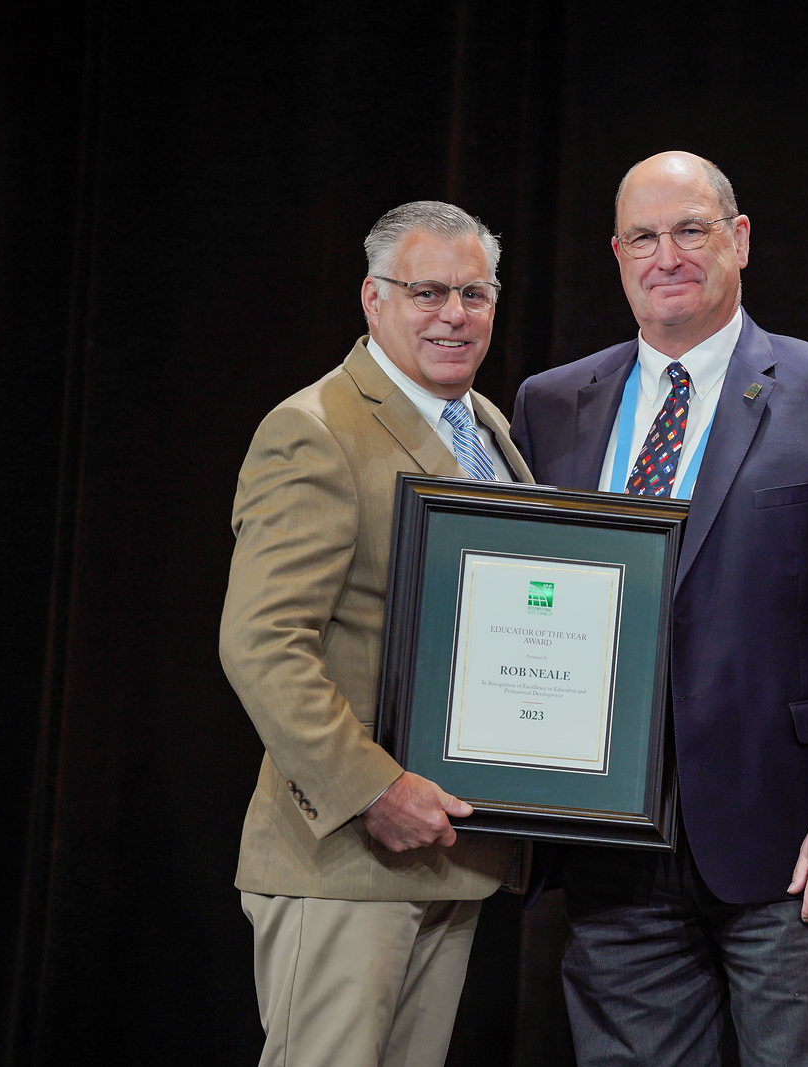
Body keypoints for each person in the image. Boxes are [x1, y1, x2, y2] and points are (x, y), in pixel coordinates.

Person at [509, 152, 808, 1066]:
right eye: (645, 238)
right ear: (617, 255)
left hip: (794, 847)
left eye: (691, 229)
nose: (669, 255)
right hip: (613, 857)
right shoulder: (551, 405)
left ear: (739, 240)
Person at [219, 201, 532, 1067]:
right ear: (372, 297)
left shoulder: (489, 430)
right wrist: (371, 791)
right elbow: (262, 643)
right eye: (426, 291)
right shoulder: (315, 430)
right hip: (345, 859)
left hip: (449, 855)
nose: (454, 315)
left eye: (475, 292)